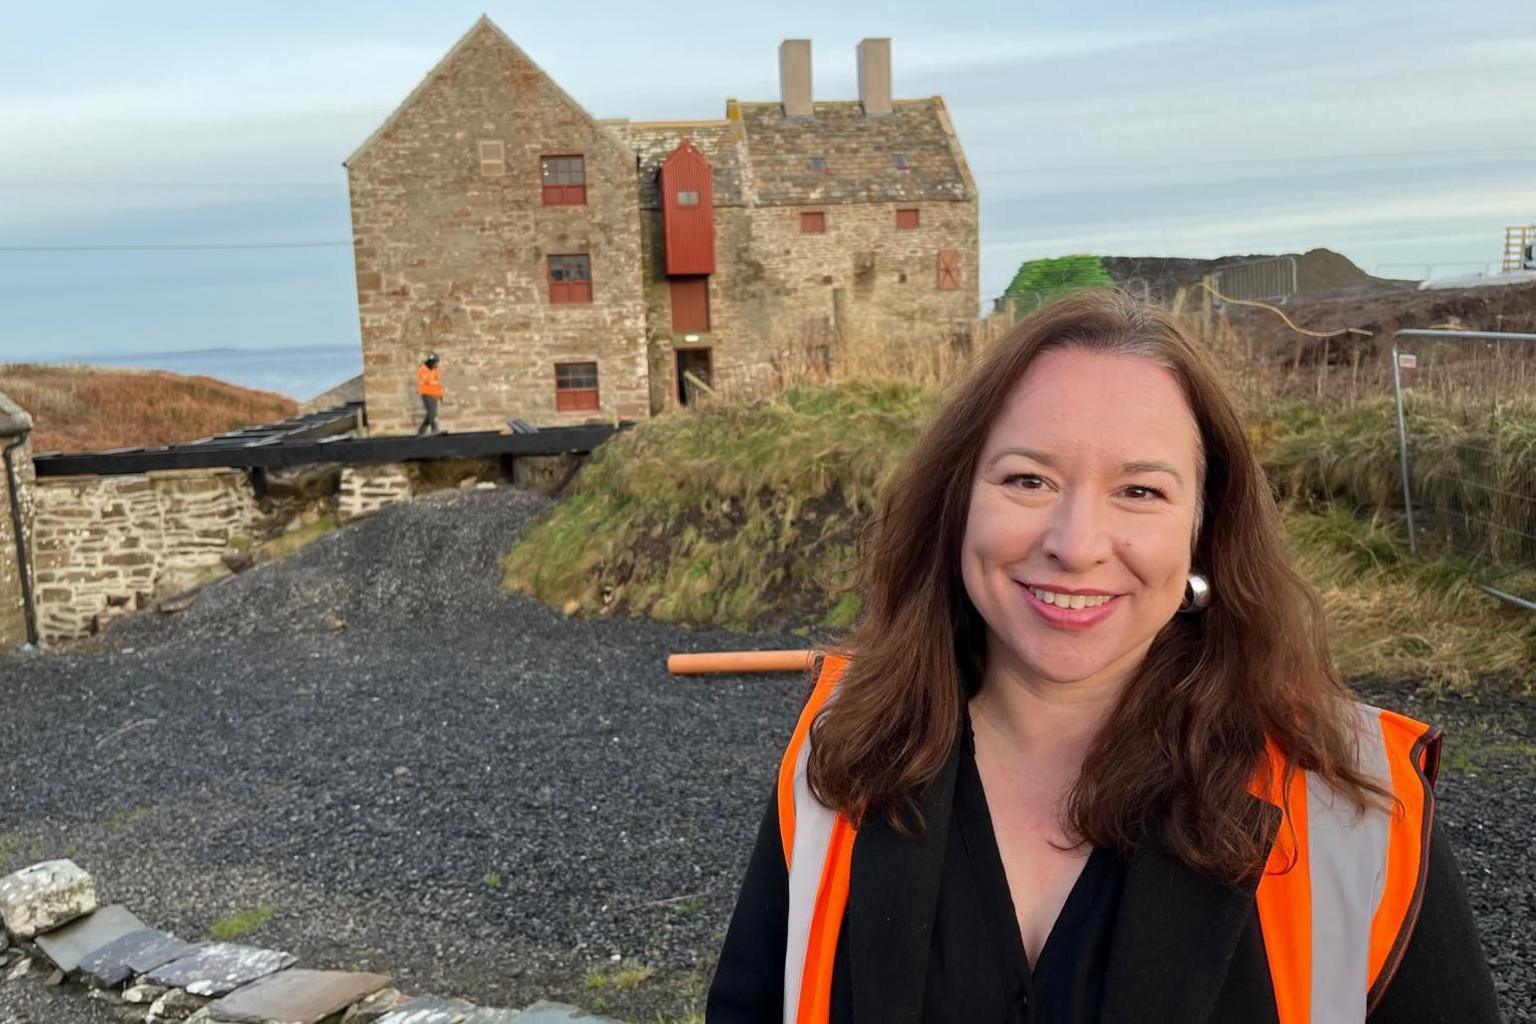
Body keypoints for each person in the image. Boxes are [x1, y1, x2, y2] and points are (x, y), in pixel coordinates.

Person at [707, 292, 1498, 1023]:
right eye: (1028, 479)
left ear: (1203, 527)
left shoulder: (1356, 806)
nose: (1075, 545)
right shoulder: (841, 752)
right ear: (958, 502)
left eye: (1140, 492)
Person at [416, 353, 443, 435]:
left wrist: (440, 394)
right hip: (426, 393)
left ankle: (421, 430)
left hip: (434, 394)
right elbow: (427, 381)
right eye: (435, 362)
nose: (436, 364)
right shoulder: (423, 370)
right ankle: (434, 429)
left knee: (432, 413)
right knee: (432, 412)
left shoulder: (436, 370)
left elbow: (437, 382)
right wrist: (433, 382)